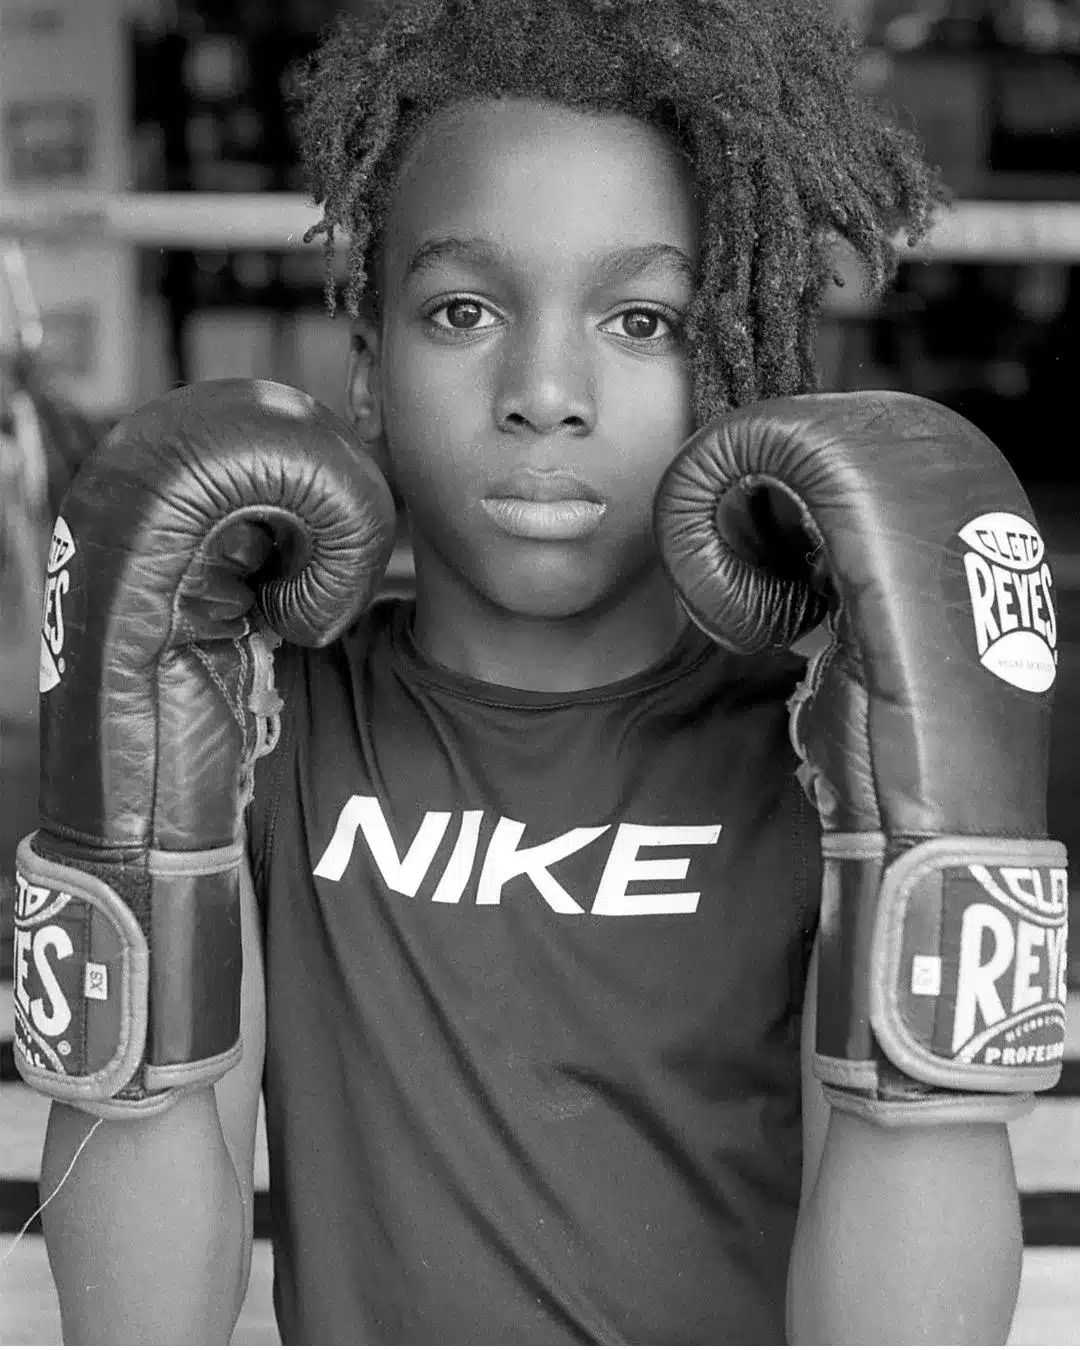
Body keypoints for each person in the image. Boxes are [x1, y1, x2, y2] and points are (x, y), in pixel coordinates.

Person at [33, 0, 1034, 1343]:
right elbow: (137, 1329)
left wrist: (936, 828)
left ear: (735, 358)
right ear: (370, 360)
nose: (545, 387)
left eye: (641, 319)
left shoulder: (819, 753)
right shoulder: (267, 730)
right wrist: (132, 793)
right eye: (462, 309)